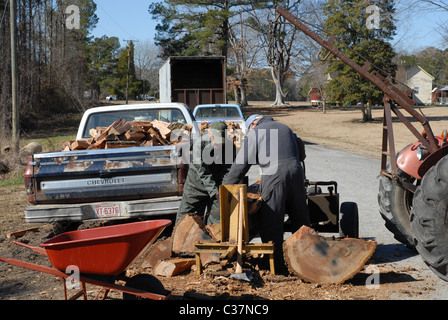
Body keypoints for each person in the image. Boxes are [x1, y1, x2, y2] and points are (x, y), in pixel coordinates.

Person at [223, 114, 310, 273]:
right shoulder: (285, 128)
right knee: (300, 217)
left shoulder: (256, 132)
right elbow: (301, 151)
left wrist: (227, 185)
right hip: (297, 172)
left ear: (253, 124)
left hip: (274, 174)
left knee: (271, 219)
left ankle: (276, 266)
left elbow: (242, 163)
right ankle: (307, 261)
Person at [176, 121, 236, 225]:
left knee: (217, 220)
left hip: (217, 186)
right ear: (210, 134)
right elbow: (202, 171)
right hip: (195, 187)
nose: (218, 144)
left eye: (221, 141)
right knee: (186, 219)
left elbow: (228, 169)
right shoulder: (199, 145)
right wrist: (214, 191)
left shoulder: (230, 146)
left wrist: (222, 187)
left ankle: (211, 239)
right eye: (215, 140)